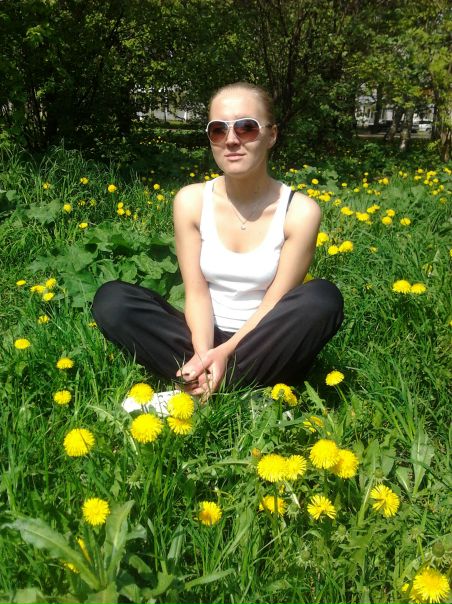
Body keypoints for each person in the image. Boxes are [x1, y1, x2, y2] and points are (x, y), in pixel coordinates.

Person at [92, 82, 344, 398]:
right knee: (113, 300)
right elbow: (196, 291)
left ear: (271, 135)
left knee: (322, 299)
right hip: (200, 336)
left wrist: (226, 352)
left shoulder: (300, 212)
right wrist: (204, 352)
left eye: (247, 127)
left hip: (266, 340)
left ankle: (199, 382)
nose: (232, 139)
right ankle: (223, 380)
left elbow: (274, 303)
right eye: (218, 130)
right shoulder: (191, 201)